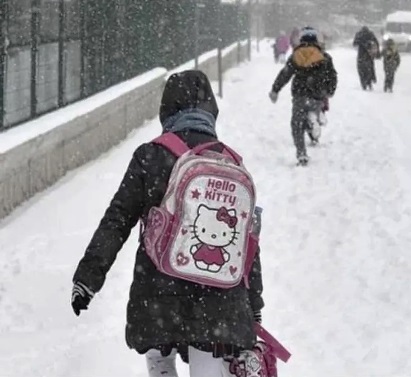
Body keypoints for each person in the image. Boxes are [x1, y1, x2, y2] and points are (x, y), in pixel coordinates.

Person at [70, 70, 265, 376]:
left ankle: (161, 365)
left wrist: (88, 278)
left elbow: (118, 219)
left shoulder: (150, 156)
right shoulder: (230, 163)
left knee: (159, 354)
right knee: (209, 361)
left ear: (167, 110)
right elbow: (246, 242)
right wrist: (254, 304)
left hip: (158, 294)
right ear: (211, 111)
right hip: (219, 302)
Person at [269, 26, 338, 166]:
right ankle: (315, 119)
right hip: (318, 96)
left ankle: (301, 154)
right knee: (313, 110)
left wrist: (275, 90)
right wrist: (330, 91)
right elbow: (332, 76)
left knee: (296, 124)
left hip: (300, 95)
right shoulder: (325, 57)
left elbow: (285, 74)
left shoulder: (296, 56)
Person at [353, 26, 380, 90]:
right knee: (369, 69)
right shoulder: (370, 34)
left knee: (361, 69)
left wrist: (360, 43)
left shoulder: (359, 34)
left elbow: (354, 43)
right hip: (369, 54)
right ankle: (369, 81)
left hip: (361, 54)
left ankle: (364, 83)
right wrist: (377, 52)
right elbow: (376, 42)